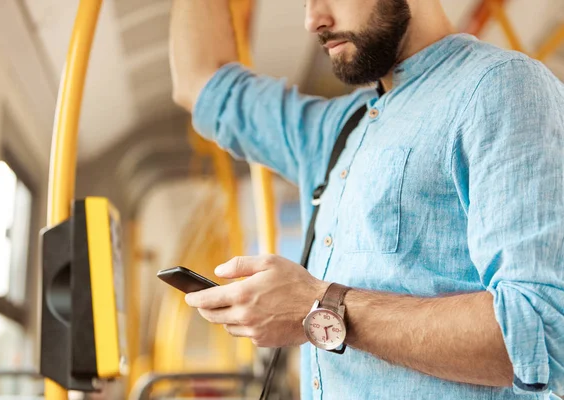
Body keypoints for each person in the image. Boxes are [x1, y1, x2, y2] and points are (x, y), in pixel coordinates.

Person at [168, 0, 564, 398]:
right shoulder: (341, 129)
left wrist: (318, 305)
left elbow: (540, 334)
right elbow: (201, 79)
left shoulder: (503, 87)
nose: (313, 20)